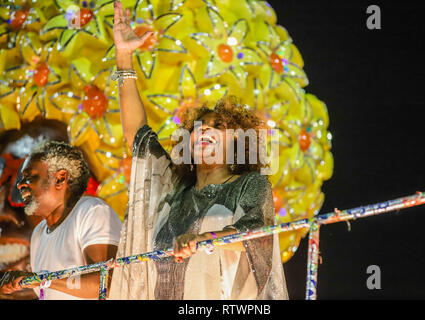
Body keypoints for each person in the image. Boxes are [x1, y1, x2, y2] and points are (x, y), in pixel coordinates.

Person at [108, 1, 288, 299]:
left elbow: (256, 233)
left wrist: (204, 239)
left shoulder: (250, 184)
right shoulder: (175, 191)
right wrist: (124, 56)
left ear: (238, 145)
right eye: (198, 127)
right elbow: (137, 136)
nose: (204, 130)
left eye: (218, 127)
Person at [0, 141, 122, 299]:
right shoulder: (38, 233)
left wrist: (41, 280)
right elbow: (49, 291)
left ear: (60, 178)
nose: (20, 185)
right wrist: (15, 283)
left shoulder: (91, 210)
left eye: (30, 177)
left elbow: (104, 283)